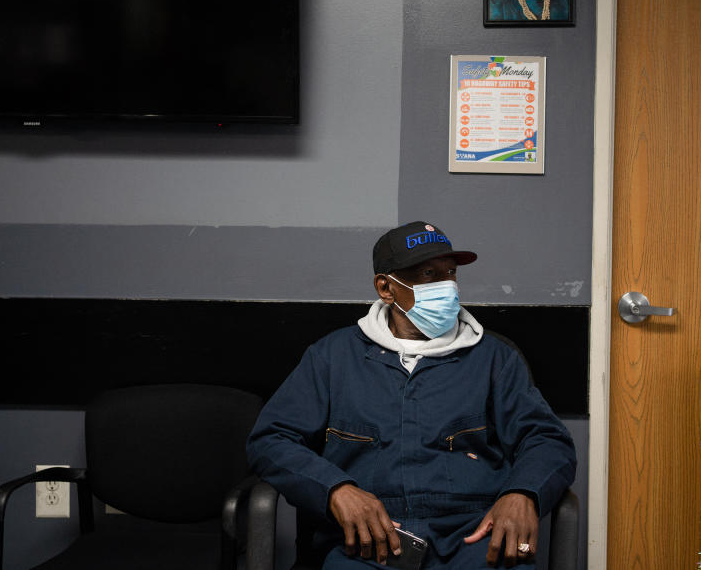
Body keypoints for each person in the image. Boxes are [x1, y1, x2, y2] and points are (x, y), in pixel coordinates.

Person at [246, 221, 576, 569]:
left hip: (474, 539)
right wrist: (335, 489)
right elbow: (271, 439)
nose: (446, 286)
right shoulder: (333, 357)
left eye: (450, 273)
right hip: (369, 544)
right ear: (386, 288)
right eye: (428, 274)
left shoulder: (493, 358)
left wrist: (523, 492)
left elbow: (547, 440)